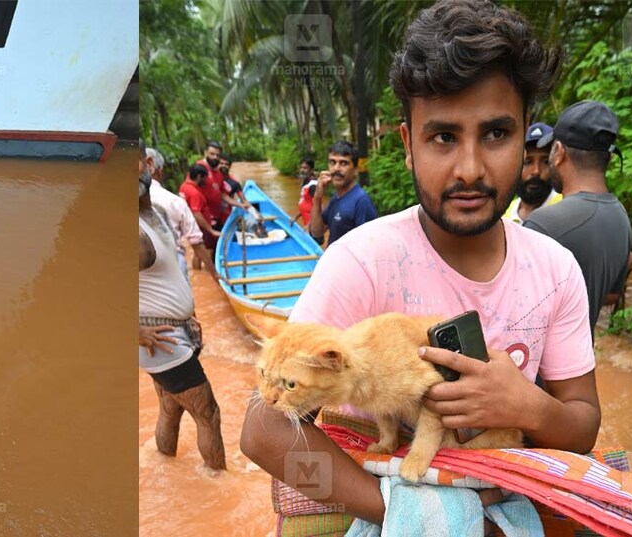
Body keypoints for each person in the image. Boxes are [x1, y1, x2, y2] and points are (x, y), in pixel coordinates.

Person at [241, 0, 599, 527]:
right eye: (443, 137)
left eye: (496, 134)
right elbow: (262, 432)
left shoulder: (556, 270)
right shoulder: (360, 262)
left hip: (492, 480)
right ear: (409, 144)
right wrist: (411, 509)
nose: (471, 169)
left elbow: (583, 427)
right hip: (393, 498)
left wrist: (529, 407)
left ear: (527, 139)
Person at [140, 139, 226, 471]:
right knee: (209, 413)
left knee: (170, 406)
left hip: (172, 334)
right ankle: (218, 486)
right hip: (162, 340)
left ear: (149, 166)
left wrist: (188, 317)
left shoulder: (156, 213)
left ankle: (166, 470)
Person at [524, 100, 632, 331]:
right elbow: (611, 296)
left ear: (560, 153)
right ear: (609, 159)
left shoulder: (543, 224)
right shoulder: (622, 219)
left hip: (537, 366)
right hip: (582, 359)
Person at [146, 147, 221, 280]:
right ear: (156, 169)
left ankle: (198, 273)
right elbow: (196, 241)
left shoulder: (183, 188)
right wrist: (214, 274)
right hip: (173, 265)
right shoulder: (176, 200)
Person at [309, 141, 378, 246]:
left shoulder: (361, 201)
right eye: (332, 162)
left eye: (343, 163)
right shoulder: (336, 197)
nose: (336, 168)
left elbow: (370, 247)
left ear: (355, 170)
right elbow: (317, 232)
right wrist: (317, 197)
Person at [504, 122, 562, 224]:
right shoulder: (503, 214)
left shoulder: (564, 207)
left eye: (546, 162)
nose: (536, 171)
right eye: (528, 162)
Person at [178, 164, 223, 255]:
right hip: (199, 227)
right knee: (203, 253)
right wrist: (211, 230)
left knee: (197, 253)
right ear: (199, 177)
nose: (206, 181)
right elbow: (197, 213)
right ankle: (206, 269)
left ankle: (198, 269)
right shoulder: (195, 193)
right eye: (205, 178)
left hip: (189, 225)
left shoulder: (184, 186)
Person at [192, 140, 233, 229]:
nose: (215, 157)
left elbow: (222, 193)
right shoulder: (199, 168)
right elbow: (190, 191)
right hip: (202, 218)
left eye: (217, 155)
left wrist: (239, 204)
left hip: (216, 218)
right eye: (212, 154)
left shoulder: (218, 172)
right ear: (205, 153)